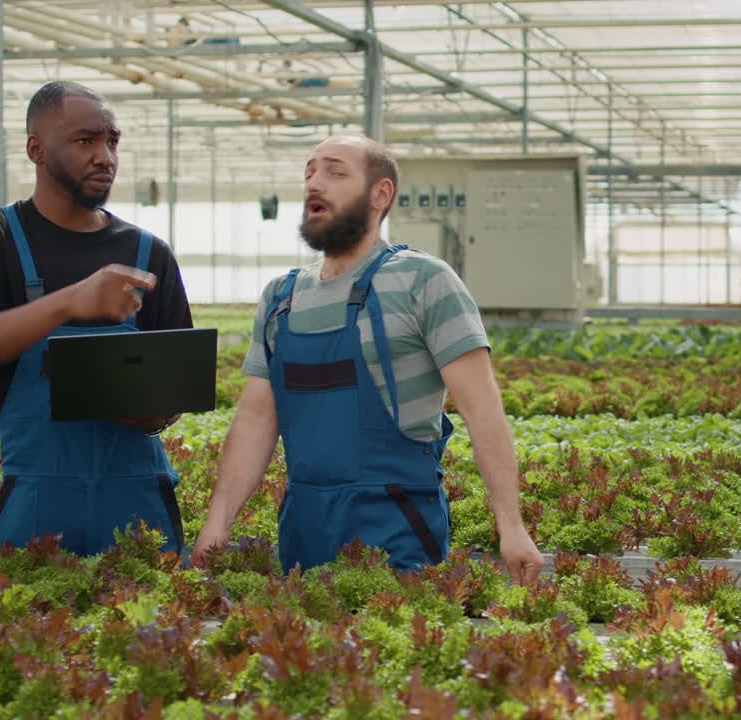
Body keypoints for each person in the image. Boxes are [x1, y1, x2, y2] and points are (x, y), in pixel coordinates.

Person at [191, 135, 544, 585]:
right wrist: (218, 521)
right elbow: (257, 418)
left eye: (336, 172)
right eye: (309, 172)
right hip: (303, 525)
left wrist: (510, 527)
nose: (315, 183)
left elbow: (483, 411)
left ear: (381, 194)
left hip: (397, 523)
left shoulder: (424, 280)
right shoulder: (281, 297)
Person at [0, 81, 193, 558]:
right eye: (85, 141)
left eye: (112, 141)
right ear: (36, 149)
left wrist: (153, 413)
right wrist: (68, 302)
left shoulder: (148, 253)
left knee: (151, 626)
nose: (105, 156)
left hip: (137, 496)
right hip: (36, 502)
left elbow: (178, 379)